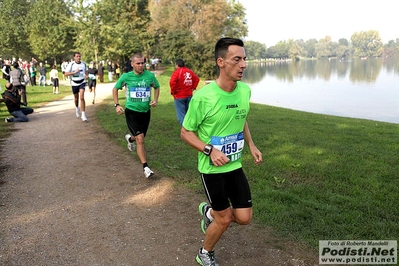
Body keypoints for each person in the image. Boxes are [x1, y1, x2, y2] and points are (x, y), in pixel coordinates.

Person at [180, 38, 263, 266]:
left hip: (234, 165)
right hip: (212, 169)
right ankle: (205, 253)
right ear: (221, 62)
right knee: (225, 218)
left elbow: (241, 117)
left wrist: (252, 144)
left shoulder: (245, 90)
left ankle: (209, 213)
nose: (243, 64)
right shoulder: (203, 97)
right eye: (237, 59)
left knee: (244, 218)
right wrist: (209, 150)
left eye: (244, 59)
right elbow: (186, 132)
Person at [112, 53, 160, 178]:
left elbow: (157, 87)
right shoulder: (126, 77)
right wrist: (117, 105)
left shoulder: (149, 76)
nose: (140, 65)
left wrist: (155, 100)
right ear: (132, 64)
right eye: (138, 63)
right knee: (141, 139)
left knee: (140, 137)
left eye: (142, 63)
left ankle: (130, 139)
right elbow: (115, 89)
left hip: (145, 112)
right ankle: (146, 167)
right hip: (132, 111)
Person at [169, 59, 200, 126]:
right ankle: (190, 126)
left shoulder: (177, 72)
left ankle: (185, 130)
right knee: (188, 113)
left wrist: (173, 91)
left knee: (181, 114)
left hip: (179, 96)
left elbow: (172, 82)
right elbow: (197, 79)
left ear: (177, 65)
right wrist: (193, 87)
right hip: (189, 95)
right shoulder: (189, 71)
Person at [64, 52, 89, 121]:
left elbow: (86, 71)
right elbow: (66, 73)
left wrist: (86, 75)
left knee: (81, 97)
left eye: (79, 56)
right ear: (74, 57)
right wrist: (74, 72)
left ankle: (83, 115)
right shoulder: (71, 64)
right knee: (76, 98)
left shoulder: (83, 64)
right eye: (77, 56)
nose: (78, 58)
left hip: (82, 82)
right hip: (74, 83)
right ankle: (77, 108)